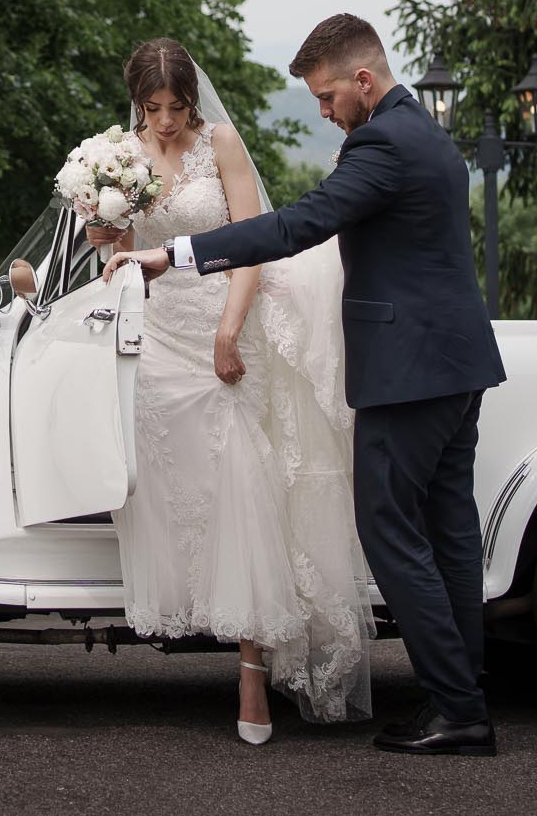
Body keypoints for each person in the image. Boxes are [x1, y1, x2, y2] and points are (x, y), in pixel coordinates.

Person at [105, 15, 507, 757]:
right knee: (448, 533)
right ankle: (462, 695)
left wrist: (179, 254)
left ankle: (457, 708)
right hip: (457, 363)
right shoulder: (423, 128)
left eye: (326, 96)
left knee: (392, 534)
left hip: (408, 372)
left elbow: (303, 223)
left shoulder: (382, 141)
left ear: (363, 80)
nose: (322, 111)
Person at [89, 38, 370, 746]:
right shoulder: (118, 154)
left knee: (242, 486)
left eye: (174, 107)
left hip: (223, 314)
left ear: (192, 99)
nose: (162, 122)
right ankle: (199, 616)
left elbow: (254, 240)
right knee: (178, 493)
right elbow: (113, 252)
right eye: (151, 108)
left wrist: (229, 327)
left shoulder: (222, 143)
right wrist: (102, 223)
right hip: (154, 335)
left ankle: (252, 671)